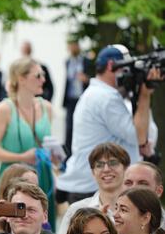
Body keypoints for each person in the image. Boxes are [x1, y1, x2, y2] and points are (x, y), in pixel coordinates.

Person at [56, 44, 162, 205]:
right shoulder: (105, 98)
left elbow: (149, 135)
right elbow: (140, 137)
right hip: (93, 190)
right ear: (111, 65)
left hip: (95, 186)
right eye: (126, 68)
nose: (129, 73)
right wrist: (144, 95)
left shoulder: (105, 94)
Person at [0, 57, 55, 231]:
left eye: (43, 75)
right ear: (21, 79)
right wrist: (22, 157)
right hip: (13, 180)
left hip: (43, 178)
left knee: (44, 232)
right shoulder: (5, 108)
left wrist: (55, 155)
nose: (43, 80)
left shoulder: (47, 107)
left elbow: (48, 144)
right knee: (10, 231)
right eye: (38, 75)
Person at [57, 142, 130, 234]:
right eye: (99, 165)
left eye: (113, 163)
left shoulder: (140, 209)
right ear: (93, 172)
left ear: (126, 168)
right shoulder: (76, 210)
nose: (106, 169)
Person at [62, 40, 93, 153]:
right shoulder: (68, 61)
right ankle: (67, 154)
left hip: (83, 98)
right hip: (71, 98)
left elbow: (93, 79)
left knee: (83, 125)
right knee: (69, 127)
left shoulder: (86, 61)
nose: (72, 48)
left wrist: (86, 79)